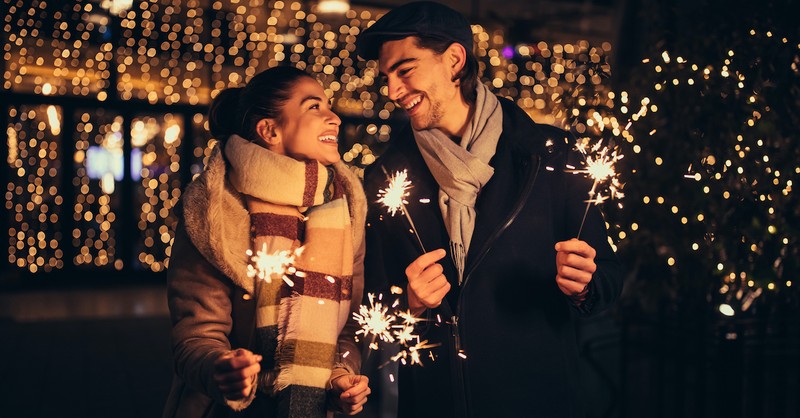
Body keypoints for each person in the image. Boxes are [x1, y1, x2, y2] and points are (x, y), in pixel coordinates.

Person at [355, 2, 624, 417]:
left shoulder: (549, 154)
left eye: (405, 70)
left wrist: (586, 283)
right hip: (432, 404)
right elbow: (369, 307)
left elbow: (608, 277)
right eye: (386, 76)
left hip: (537, 401)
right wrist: (408, 303)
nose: (391, 91)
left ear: (455, 60)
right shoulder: (384, 177)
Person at [163, 66, 371, 418]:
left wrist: (343, 379)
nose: (333, 117)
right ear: (269, 130)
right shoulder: (217, 210)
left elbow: (349, 328)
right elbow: (195, 337)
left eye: (329, 106)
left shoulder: (345, 206)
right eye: (314, 107)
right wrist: (223, 369)